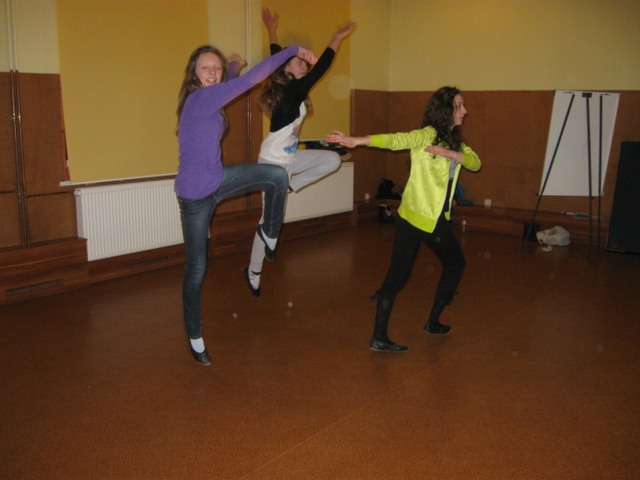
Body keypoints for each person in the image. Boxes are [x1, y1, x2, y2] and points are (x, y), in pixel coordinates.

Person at [176, 43, 317, 366]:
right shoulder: (199, 99)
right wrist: (292, 49)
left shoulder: (212, 93)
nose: (212, 72)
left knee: (277, 176)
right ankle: (194, 335)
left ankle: (269, 232)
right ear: (194, 74)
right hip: (195, 196)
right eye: (205, 68)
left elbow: (229, 82)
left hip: (218, 179)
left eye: (216, 67)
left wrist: (232, 67)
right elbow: (251, 80)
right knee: (196, 268)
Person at [326, 87, 481, 352]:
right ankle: (432, 322)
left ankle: (380, 337)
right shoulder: (428, 134)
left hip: (409, 216)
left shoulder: (454, 141)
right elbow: (397, 140)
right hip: (428, 219)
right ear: (445, 109)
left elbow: (475, 162)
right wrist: (359, 140)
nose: (464, 111)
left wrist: (454, 155)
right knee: (455, 264)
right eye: (459, 105)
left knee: (397, 276)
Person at [243, 8, 357, 297]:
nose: (305, 65)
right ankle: (253, 271)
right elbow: (320, 66)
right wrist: (337, 37)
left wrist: (271, 29)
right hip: (272, 165)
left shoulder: (293, 89)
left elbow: (276, 53)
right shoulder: (290, 91)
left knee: (332, 160)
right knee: (269, 223)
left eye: (304, 62)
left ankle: (291, 186)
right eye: (299, 62)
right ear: (286, 70)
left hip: (289, 159)